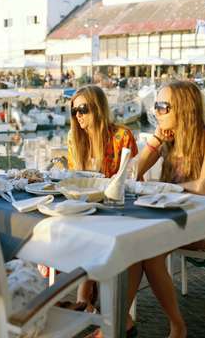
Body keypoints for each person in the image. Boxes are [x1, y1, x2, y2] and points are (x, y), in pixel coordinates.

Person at [133, 80, 205, 338]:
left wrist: (163, 189)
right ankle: (122, 322)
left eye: (162, 107)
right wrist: (155, 140)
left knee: (149, 253)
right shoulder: (168, 137)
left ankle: (177, 325)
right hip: (173, 218)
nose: (156, 112)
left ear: (184, 108)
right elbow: (134, 172)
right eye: (156, 106)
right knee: (134, 246)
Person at [53, 85, 138, 334]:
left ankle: (87, 300)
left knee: (90, 235)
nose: (78, 115)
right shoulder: (74, 139)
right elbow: (75, 179)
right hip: (87, 208)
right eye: (74, 110)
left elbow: (130, 180)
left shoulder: (122, 136)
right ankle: (86, 300)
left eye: (83, 109)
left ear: (98, 109)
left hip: (116, 209)